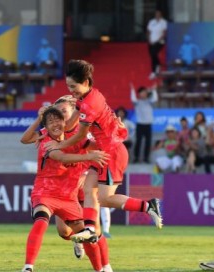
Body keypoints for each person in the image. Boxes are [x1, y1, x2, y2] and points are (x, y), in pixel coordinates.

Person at [44, 60, 163, 244]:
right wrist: (50, 125)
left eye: (73, 86)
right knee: (89, 189)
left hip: (112, 153)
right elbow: (71, 125)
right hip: (104, 150)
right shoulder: (84, 98)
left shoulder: (90, 103)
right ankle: (91, 229)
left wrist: (59, 145)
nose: (71, 90)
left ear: (85, 82)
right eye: (68, 86)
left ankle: (149, 206)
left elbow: (80, 134)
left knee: (105, 199)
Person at [17, 106, 113, 272]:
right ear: (46, 126)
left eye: (58, 120)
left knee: (88, 233)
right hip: (45, 192)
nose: (55, 124)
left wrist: (113, 133)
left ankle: (101, 270)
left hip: (70, 196)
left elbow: (100, 144)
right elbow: (62, 157)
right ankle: (28, 268)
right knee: (42, 222)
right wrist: (89, 157)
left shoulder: (76, 137)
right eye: (50, 121)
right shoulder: (45, 140)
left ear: (65, 121)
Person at [130, 83, 157, 163]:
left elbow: (155, 99)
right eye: (141, 92)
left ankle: (146, 158)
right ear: (139, 94)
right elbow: (133, 99)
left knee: (148, 142)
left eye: (145, 92)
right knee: (138, 141)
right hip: (140, 124)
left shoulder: (150, 101)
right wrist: (132, 90)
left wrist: (153, 90)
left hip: (148, 124)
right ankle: (136, 158)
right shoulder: (137, 102)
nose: (143, 94)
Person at [146, 10, 167, 79]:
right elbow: (148, 31)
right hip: (151, 41)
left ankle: (154, 71)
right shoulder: (151, 21)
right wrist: (149, 39)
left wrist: (158, 40)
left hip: (159, 41)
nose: (157, 15)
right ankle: (158, 65)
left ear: (161, 15)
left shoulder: (163, 22)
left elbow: (164, 33)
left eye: (159, 14)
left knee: (154, 53)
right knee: (152, 55)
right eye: (156, 14)